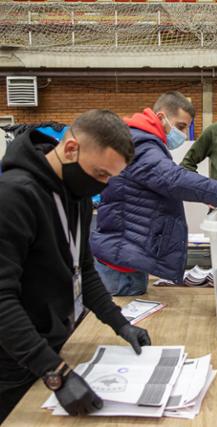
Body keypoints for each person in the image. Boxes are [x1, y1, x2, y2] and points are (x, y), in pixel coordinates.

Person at [0, 110, 151, 422]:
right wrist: (56, 374)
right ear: (70, 149)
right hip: (13, 360)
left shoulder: (77, 194)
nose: (103, 186)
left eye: (110, 177)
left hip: (52, 349)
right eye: (99, 174)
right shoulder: (13, 196)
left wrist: (120, 324)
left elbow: (84, 269)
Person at [91, 92, 217, 296]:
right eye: (181, 126)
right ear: (160, 117)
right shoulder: (140, 145)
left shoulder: (138, 140)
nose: (182, 134)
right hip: (119, 264)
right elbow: (174, 180)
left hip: (127, 256)